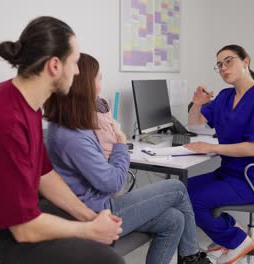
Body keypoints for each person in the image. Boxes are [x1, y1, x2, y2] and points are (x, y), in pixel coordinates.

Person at [0, 17, 125, 264]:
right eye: (74, 62)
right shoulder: (3, 120)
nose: (76, 71)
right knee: (106, 259)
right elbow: (24, 229)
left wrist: (88, 216)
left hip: (1, 222)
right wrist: (89, 231)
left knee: (92, 231)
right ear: (54, 65)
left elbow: (45, 175)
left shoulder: (27, 105)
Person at [43, 53, 212, 264]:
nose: (100, 85)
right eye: (99, 79)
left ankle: (190, 256)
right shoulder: (70, 135)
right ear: (84, 84)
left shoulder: (75, 125)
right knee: (177, 188)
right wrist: (121, 143)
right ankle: (191, 257)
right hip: (96, 212)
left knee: (174, 219)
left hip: (99, 202)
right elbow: (113, 183)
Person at [186, 44, 254, 264]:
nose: (224, 68)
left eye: (229, 61)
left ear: (246, 61)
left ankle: (237, 240)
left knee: (191, 199)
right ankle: (229, 233)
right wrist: (197, 104)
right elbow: (194, 123)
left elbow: (253, 148)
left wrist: (211, 148)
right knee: (180, 190)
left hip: (250, 179)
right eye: (219, 64)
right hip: (226, 173)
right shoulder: (226, 96)